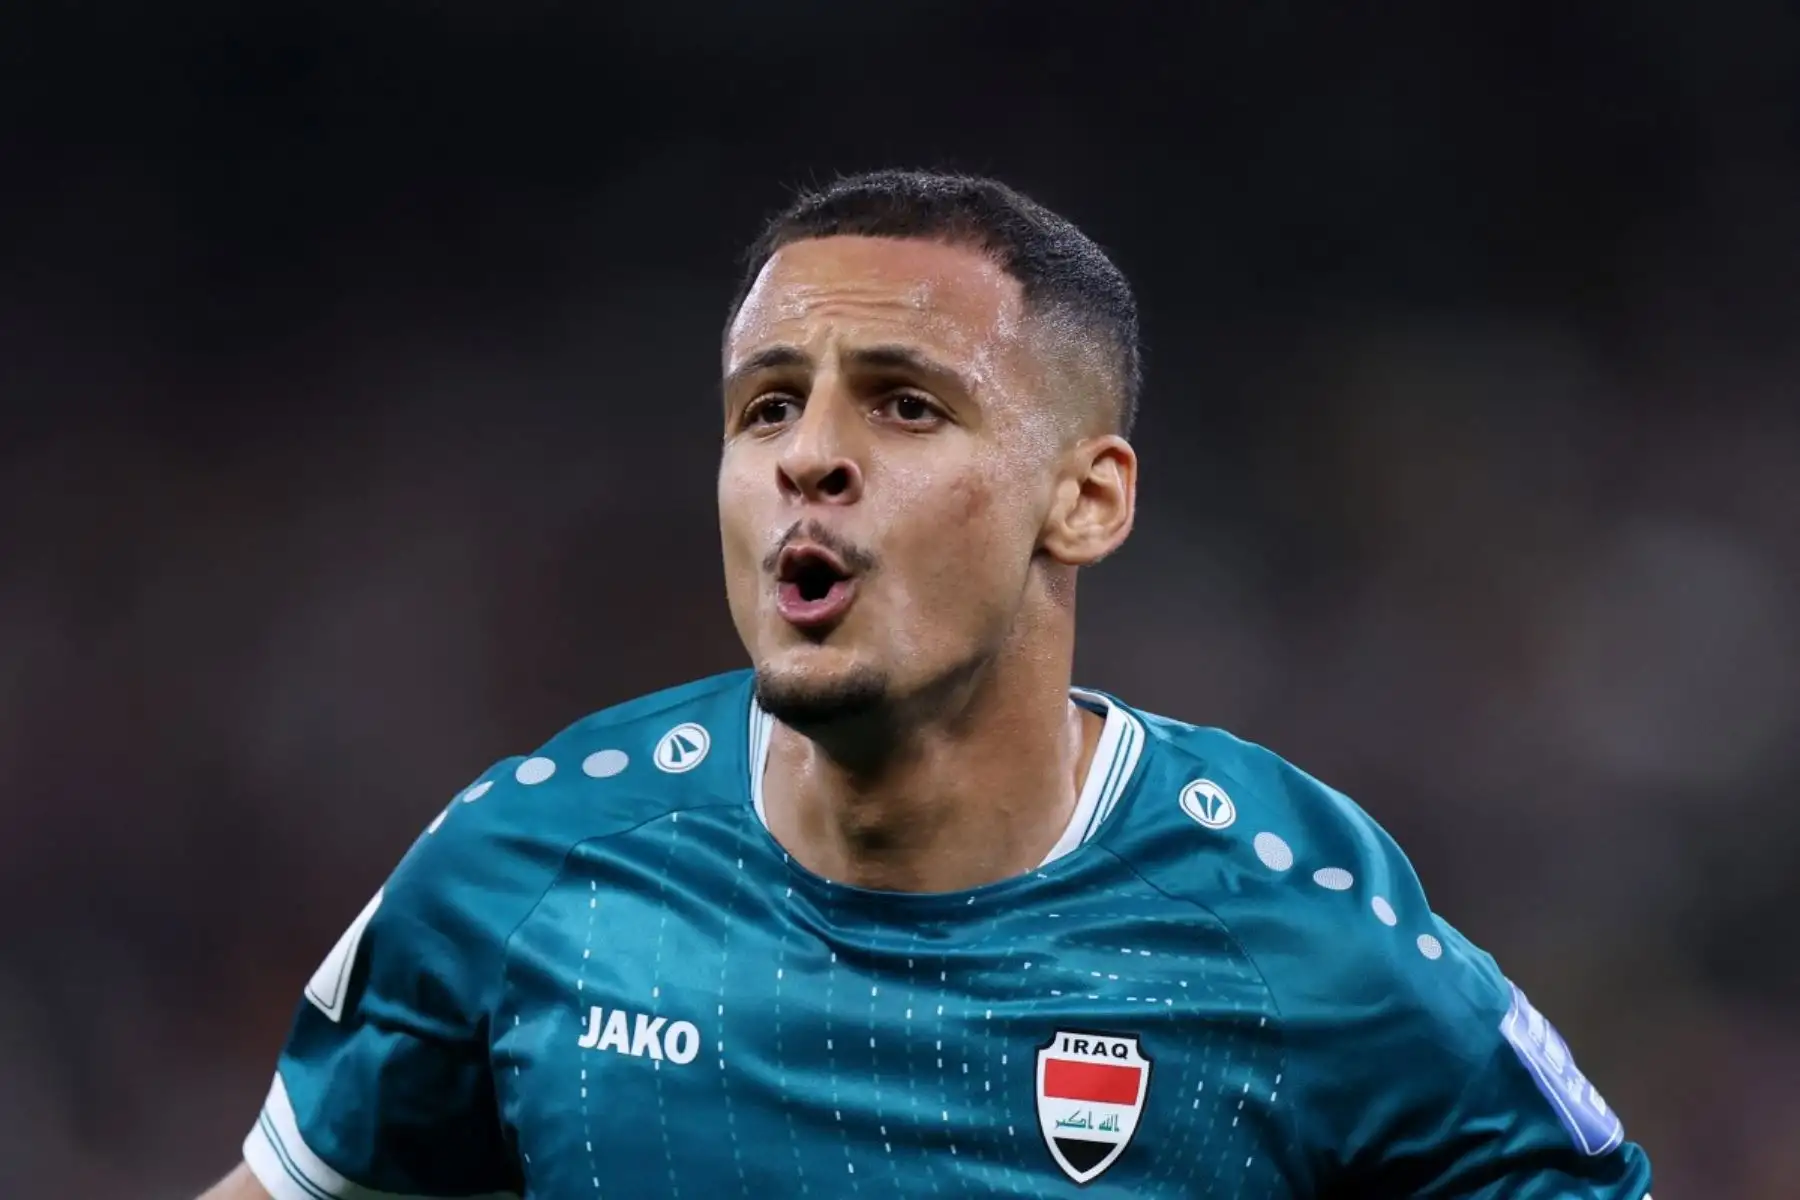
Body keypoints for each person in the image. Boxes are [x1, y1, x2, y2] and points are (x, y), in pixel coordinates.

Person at [201, 170, 1653, 1199]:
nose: (808, 457)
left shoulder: (1296, 935)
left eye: (905, 404)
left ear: (1085, 499)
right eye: (768, 406)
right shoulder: (532, 866)